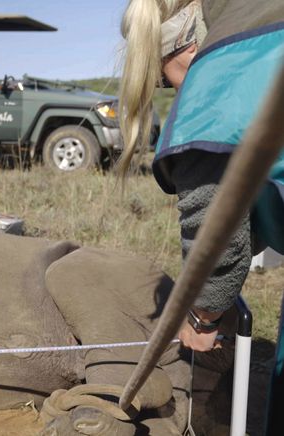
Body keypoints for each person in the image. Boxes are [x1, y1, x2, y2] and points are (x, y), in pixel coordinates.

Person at [119, 0, 284, 364]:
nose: (171, 90)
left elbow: (213, 224)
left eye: (161, 78)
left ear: (186, 46)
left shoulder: (217, 75)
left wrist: (201, 316)